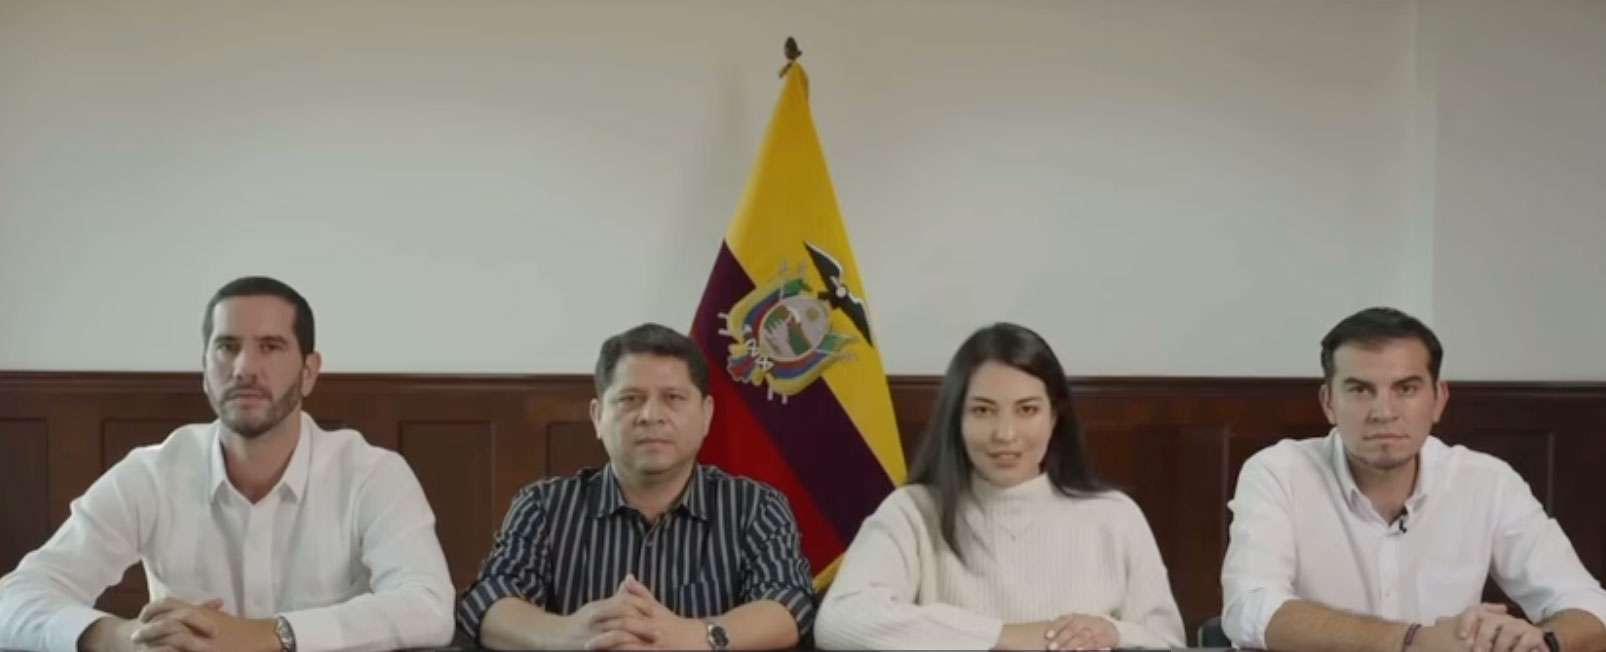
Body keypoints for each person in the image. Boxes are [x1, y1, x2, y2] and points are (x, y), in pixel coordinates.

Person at [0, 276, 455, 652]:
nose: (244, 368)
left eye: (270, 346)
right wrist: (122, 638)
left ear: (309, 372)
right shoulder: (150, 475)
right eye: (227, 347)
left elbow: (429, 606)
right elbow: (13, 600)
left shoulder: (372, 475)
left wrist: (268, 635)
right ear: (205, 370)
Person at [1221, 307, 1606, 652]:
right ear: (1328, 403)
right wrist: (1414, 640)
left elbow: (1590, 606)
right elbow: (1250, 608)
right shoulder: (1277, 473)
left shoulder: (1489, 482)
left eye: (1406, 389)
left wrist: (1541, 642)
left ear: (1438, 400)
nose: (1383, 412)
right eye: (1360, 390)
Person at [814, 322, 1185, 650]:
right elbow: (839, 618)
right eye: (983, 410)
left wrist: (1115, 633)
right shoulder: (913, 511)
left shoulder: (1115, 516)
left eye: (1027, 410)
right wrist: (1004, 635)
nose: (1005, 434)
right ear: (956, 419)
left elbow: (1167, 640)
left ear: (1055, 416)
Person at [456, 322, 815, 650]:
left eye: (673, 398)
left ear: (706, 415)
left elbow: (788, 603)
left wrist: (694, 636)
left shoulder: (755, 506)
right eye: (630, 399)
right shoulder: (543, 505)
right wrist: (568, 634)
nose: (651, 416)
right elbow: (489, 601)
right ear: (598, 416)